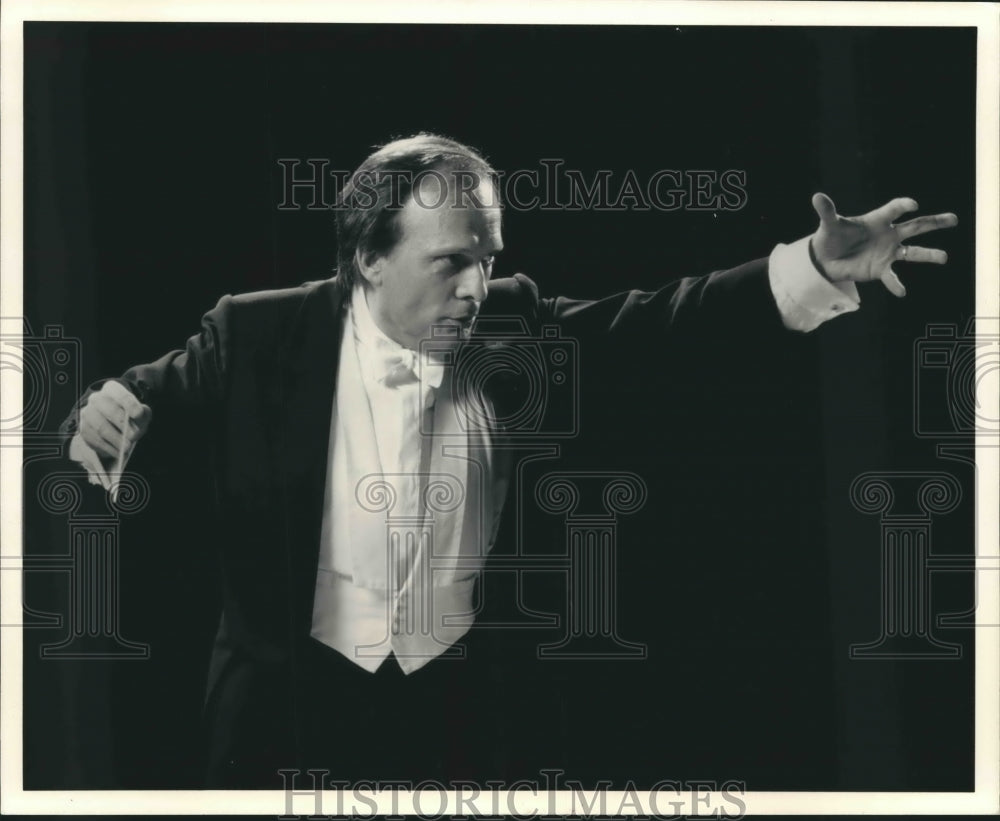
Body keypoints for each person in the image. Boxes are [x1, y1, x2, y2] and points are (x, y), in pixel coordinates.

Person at [62, 133, 957, 787]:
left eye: (488, 261)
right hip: (279, 736)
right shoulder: (253, 333)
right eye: (451, 261)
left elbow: (660, 326)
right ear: (369, 258)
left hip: (465, 733)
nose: (475, 288)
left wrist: (813, 266)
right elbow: (132, 399)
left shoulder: (511, 328)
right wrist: (95, 416)